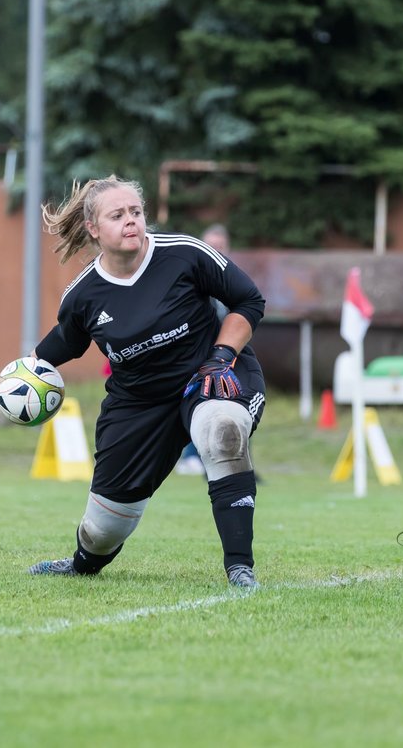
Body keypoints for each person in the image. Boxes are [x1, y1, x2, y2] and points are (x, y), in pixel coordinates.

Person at [27, 179, 267, 588]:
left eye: (135, 212)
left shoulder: (185, 254)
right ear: (93, 228)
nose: (131, 221)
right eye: (117, 215)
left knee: (221, 432)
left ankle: (239, 568)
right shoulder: (83, 295)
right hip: (138, 402)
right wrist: (28, 372)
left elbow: (249, 300)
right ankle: (81, 564)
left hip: (209, 374)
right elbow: (64, 342)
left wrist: (223, 356)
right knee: (102, 532)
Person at [176, 223, 231, 476]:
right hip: (193, 357)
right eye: (210, 245)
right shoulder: (189, 278)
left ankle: (226, 455)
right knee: (193, 402)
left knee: (227, 404)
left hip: (225, 358)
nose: (214, 251)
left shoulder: (233, 280)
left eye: (219, 247)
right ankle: (188, 457)